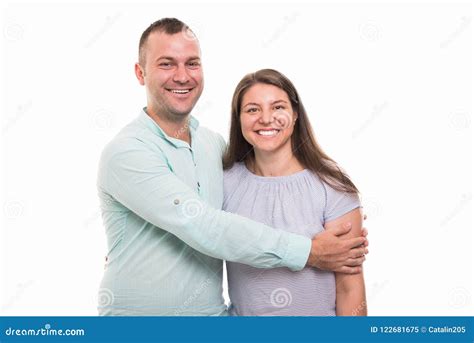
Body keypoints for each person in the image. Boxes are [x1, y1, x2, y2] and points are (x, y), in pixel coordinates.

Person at [97, 18, 368, 316]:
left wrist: (333, 202)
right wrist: (310, 251)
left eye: (192, 63)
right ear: (140, 72)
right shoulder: (127, 151)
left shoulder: (213, 148)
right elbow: (205, 226)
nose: (182, 76)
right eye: (166, 64)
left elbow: (267, 192)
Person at [223, 69, 367, 316]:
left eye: (278, 107)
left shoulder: (331, 184)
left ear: (296, 114)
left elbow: (349, 289)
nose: (266, 119)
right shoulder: (223, 182)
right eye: (252, 109)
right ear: (239, 119)